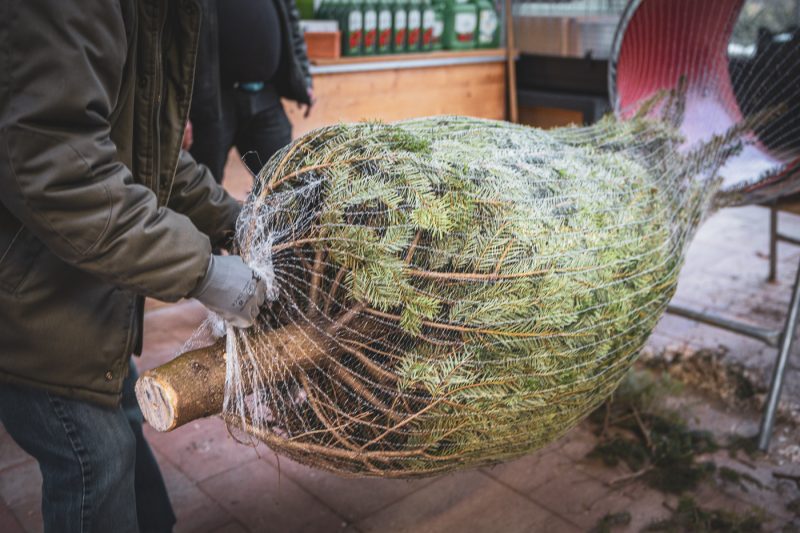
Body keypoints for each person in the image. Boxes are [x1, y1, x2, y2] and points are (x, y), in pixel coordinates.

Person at [0, 1, 269, 532]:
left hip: (88, 294)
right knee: (93, 460)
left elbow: (148, 153)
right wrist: (205, 273)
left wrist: (240, 223)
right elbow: (61, 172)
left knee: (120, 427)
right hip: (33, 302)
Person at [189, 0, 315, 183]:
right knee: (201, 189)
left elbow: (290, 20)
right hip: (211, 99)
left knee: (290, 183)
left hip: (265, 94)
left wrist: (302, 78)